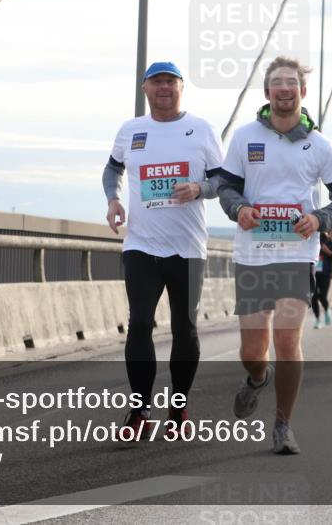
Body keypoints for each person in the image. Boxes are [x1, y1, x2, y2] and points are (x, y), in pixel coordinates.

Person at [218, 56, 332, 454]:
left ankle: (282, 425)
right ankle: (257, 378)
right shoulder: (245, 137)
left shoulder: (319, 143)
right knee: (251, 351)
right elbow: (226, 188)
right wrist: (239, 209)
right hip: (253, 254)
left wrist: (320, 218)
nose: (284, 88)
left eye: (290, 83)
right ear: (266, 92)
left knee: (288, 338)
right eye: (276, 82)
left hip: (297, 256)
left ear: (302, 92)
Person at [103, 61, 223, 439]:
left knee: (184, 328)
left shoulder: (201, 129)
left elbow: (223, 179)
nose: (164, 88)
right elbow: (111, 169)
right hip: (141, 244)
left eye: (171, 82)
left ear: (181, 88)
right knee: (139, 323)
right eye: (157, 82)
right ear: (145, 89)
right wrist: (113, 199)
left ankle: (179, 404)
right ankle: (139, 410)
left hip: (187, 248)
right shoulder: (131, 129)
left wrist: (199, 189)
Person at [312, 233, 332, 329]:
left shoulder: (330, 241)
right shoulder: (313, 238)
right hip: (313, 273)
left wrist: (327, 251)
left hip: (325, 273)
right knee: (313, 297)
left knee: (322, 296)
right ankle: (317, 320)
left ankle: (326, 310)